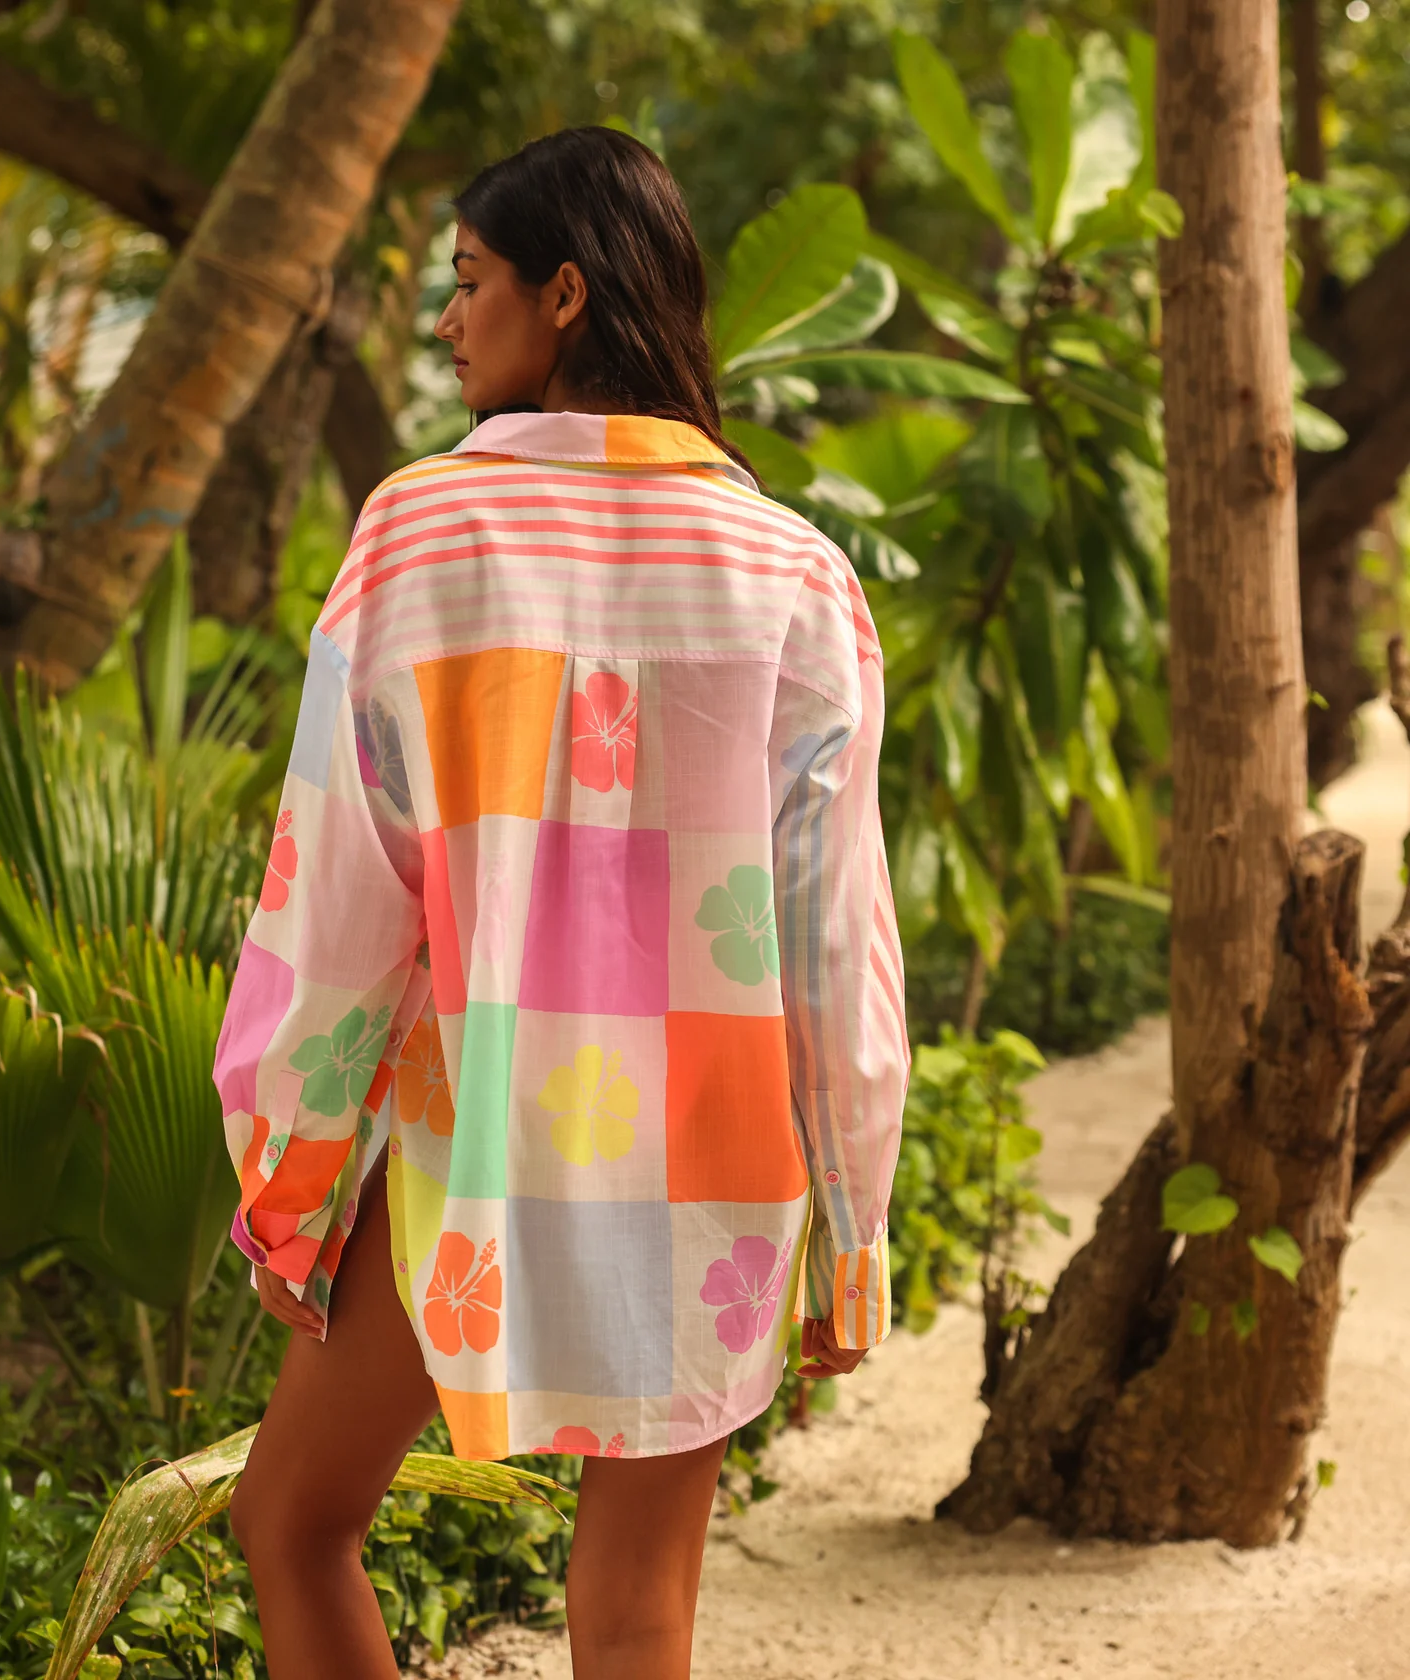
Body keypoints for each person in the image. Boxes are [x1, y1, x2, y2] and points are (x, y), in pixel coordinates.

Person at [217, 126, 908, 1680]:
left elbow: (339, 894)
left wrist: (292, 1177)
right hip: (711, 1164)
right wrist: (851, 1226)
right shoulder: (796, 572)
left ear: (568, 293)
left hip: (471, 1147)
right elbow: (833, 938)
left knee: (292, 1523)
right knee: (641, 1603)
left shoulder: (418, 531)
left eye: (470, 281)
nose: (447, 319)